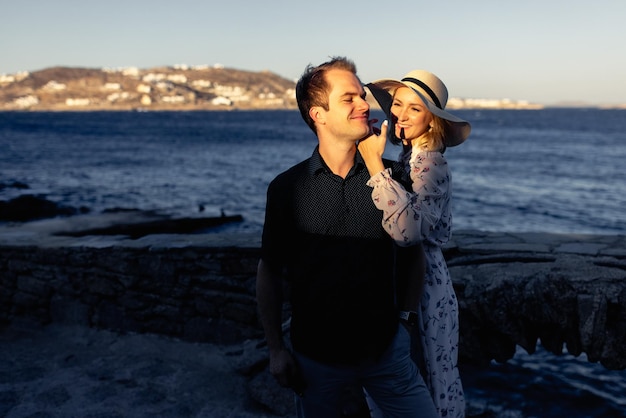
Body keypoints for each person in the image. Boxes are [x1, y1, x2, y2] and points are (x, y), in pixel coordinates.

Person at [255, 57, 438, 418]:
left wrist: (405, 321)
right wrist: (276, 348)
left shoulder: (392, 178)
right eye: (348, 99)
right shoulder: (287, 189)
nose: (363, 104)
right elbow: (270, 271)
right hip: (316, 359)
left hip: (387, 352)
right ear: (318, 115)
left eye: (362, 96)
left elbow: (414, 251)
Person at [357, 70, 471, 418]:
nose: (400, 115)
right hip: (410, 279)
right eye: (397, 105)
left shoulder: (430, 163)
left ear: (432, 121)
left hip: (425, 286)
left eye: (414, 109)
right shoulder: (412, 158)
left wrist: (374, 164)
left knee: (426, 381)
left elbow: (408, 232)